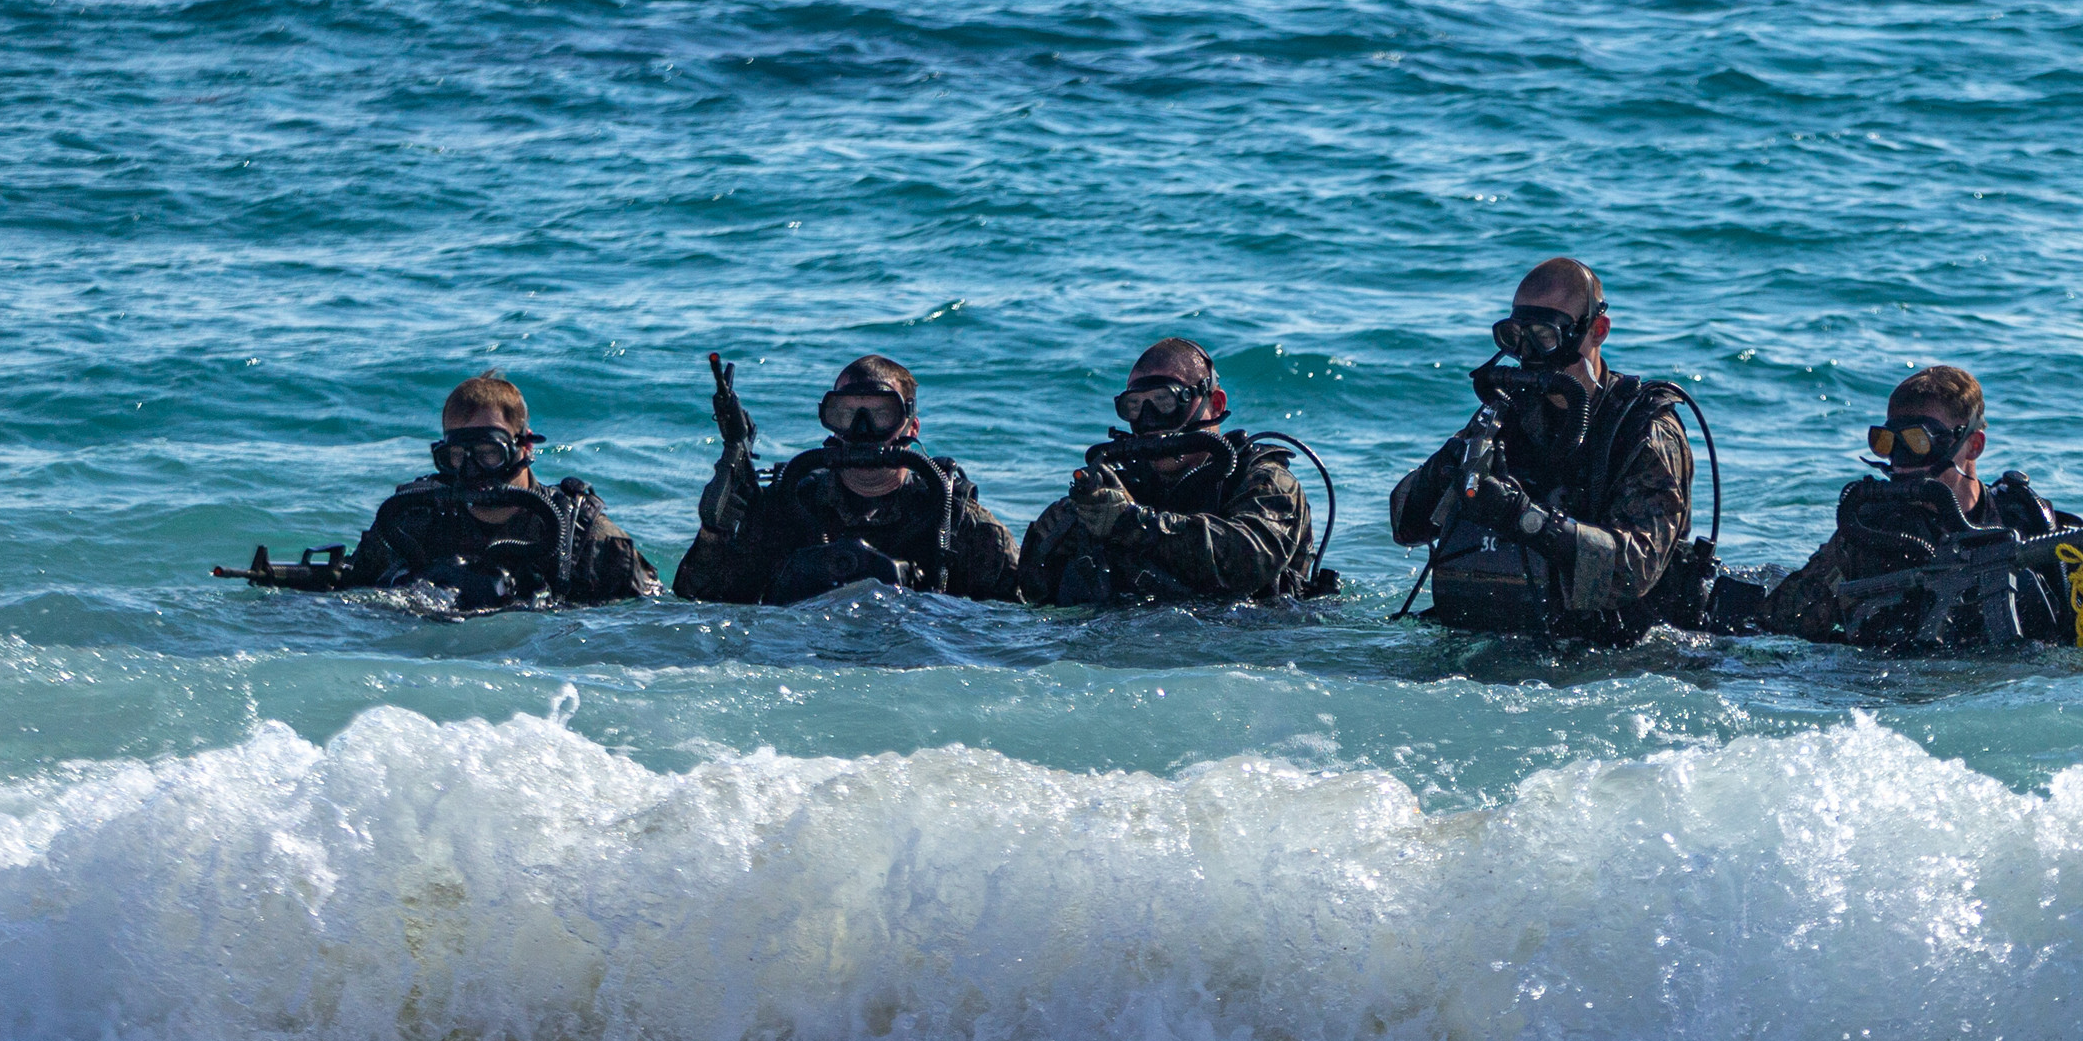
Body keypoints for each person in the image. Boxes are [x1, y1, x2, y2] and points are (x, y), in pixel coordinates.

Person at [1389, 258, 1705, 643]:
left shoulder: (1644, 430)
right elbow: (1405, 526)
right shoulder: (1511, 413)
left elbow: (1635, 568)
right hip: (1514, 631)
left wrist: (1525, 519)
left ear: (1597, 331)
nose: (1529, 352)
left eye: (1546, 335)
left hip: (1614, 649)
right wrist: (1446, 467)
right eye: (1515, 337)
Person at [1762, 364, 2083, 650]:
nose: (1902, 459)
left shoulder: (2025, 521)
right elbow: (1781, 624)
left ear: (1972, 445)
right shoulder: (1872, 533)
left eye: (1920, 441)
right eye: (1888, 443)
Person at [672, 354, 1019, 604]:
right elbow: (702, 606)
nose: (863, 430)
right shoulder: (787, 508)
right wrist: (713, 533)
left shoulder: (954, 519)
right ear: (829, 421)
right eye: (847, 414)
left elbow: (1016, 624)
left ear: (911, 426)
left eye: (881, 414)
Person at [1018, 338, 1322, 605]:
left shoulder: (1264, 481)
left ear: (1215, 404)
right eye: (1135, 406)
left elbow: (1249, 558)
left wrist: (1131, 523)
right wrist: (1074, 520)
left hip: (1244, 647)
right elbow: (1033, 586)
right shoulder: (1128, 482)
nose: (1149, 420)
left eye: (1164, 401)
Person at [338, 372, 658, 608]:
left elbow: (647, 623)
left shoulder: (584, 536)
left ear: (525, 445)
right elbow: (349, 598)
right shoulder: (411, 521)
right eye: (457, 456)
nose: (472, 470)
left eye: (489, 452)